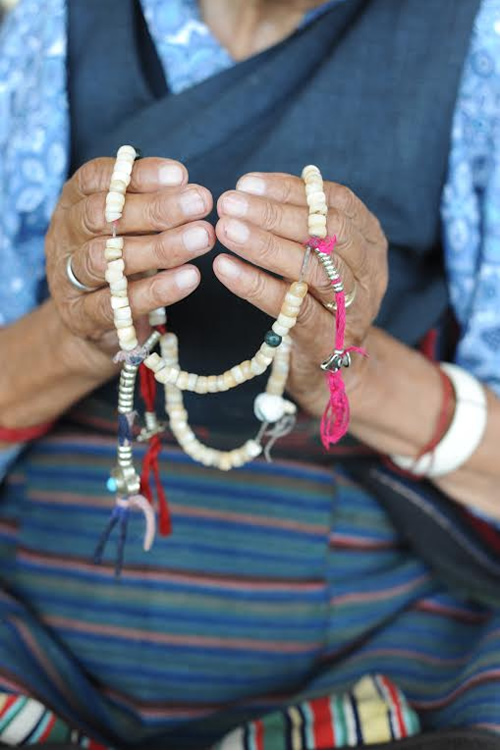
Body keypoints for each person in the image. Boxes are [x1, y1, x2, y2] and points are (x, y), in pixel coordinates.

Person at [0, 0, 499, 747]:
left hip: (373, 665)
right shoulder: (56, 22)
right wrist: (75, 334)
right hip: (32, 642)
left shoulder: (475, 33)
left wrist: (351, 374)